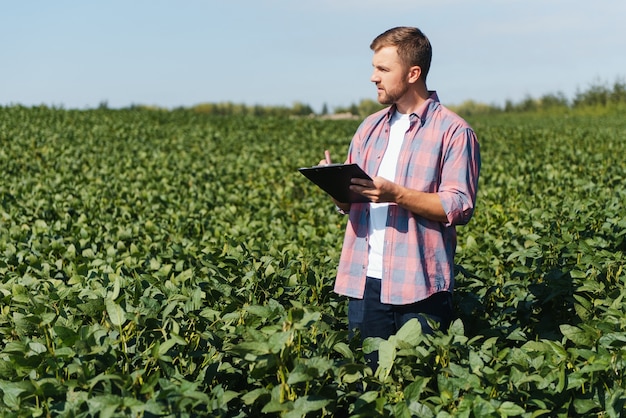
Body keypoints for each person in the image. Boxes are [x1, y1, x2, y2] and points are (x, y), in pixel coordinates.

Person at [319, 26, 480, 367]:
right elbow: (351, 205)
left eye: (383, 69)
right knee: (366, 387)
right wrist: (335, 186)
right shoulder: (369, 128)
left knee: (418, 387)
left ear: (413, 73)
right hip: (365, 284)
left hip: (419, 286)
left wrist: (396, 194)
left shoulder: (453, 132)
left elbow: (457, 206)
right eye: (374, 67)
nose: (373, 77)